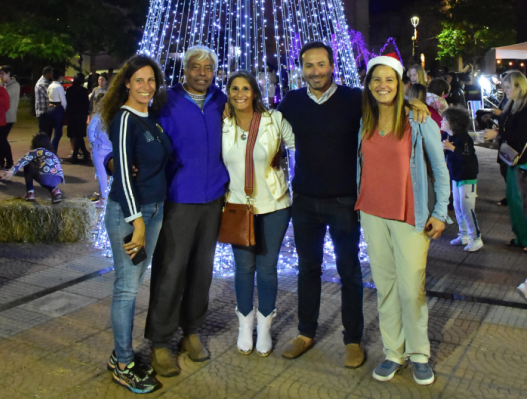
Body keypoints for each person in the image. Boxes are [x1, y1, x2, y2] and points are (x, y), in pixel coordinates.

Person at [277, 43, 430, 370]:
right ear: (301, 68)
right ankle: (306, 332)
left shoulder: (353, 100)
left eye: (321, 64)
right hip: (304, 200)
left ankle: (353, 339)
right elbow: (262, 118)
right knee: (308, 270)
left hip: (345, 200)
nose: (315, 71)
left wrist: (414, 102)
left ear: (332, 65)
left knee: (349, 272)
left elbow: (387, 104)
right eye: (308, 66)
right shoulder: (292, 101)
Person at [355, 52, 449, 386]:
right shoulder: (363, 119)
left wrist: (440, 213)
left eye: (389, 79)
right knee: (386, 288)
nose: (383, 85)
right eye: (376, 79)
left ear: (400, 84)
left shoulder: (418, 119)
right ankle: (394, 352)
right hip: (372, 214)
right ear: (368, 84)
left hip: (409, 217)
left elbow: (440, 169)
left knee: (412, 290)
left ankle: (419, 354)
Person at [145, 45, 229, 377]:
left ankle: (192, 331)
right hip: (178, 197)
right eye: (196, 67)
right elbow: (146, 137)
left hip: (213, 198)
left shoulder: (223, 100)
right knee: (170, 271)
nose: (202, 73)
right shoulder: (166, 100)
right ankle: (160, 341)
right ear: (185, 69)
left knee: (202, 270)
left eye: (209, 68)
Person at [101, 54, 171, 393]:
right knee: (127, 289)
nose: (146, 86)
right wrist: (138, 223)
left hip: (154, 211)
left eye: (150, 80)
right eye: (139, 80)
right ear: (126, 83)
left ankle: (123, 356)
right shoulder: (126, 119)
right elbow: (124, 180)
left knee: (133, 285)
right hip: (133, 215)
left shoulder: (150, 117)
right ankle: (123, 363)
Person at [222, 70, 295, 356]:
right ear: (228, 93)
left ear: (255, 92)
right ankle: (244, 325)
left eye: (245, 88)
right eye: (234, 89)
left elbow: (301, 145)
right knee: (243, 269)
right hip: (238, 205)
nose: (240, 93)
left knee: (266, 268)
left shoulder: (273, 120)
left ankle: (264, 326)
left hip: (274, 205)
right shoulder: (222, 123)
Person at [484, 70, 527, 251]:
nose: (505, 90)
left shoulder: (523, 107)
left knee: (522, 200)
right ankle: (520, 237)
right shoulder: (511, 104)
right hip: (511, 159)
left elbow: (521, 134)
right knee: (513, 198)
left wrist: (498, 133)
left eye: (508, 87)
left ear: (519, 87)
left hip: (522, 160)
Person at [442, 105, 482, 251]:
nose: (441, 122)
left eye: (444, 119)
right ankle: (464, 234)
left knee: (467, 208)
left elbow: (468, 156)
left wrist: (452, 148)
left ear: (453, 122)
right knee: (458, 207)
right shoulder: (447, 136)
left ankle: (476, 237)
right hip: (456, 176)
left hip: (467, 177)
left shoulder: (464, 138)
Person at [2, 132, 63, 202]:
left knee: (28, 165)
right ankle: (55, 191)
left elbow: (24, 160)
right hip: (58, 179)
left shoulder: (36, 151)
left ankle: (30, 193)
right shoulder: (53, 154)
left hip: (45, 177)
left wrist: (12, 170)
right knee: (43, 173)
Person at [88, 107, 112, 208]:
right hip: (112, 147)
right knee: (115, 173)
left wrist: (93, 141)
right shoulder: (116, 113)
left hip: (99, 147)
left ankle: (103, 199)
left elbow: (91, 128)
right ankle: (113, 197)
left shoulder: (98, 114)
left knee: (101, 174)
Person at [0, 65, 20, 170]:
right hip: (0, 117)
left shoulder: (14, 85)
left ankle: (9, 161)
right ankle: (2, 161)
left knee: (1, 139)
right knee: (0, 139)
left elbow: (2, 96)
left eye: (2, 74)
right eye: (0, 74)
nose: (0, 76)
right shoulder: (1, 84)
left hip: (8, 117)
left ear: (8, 74)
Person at [65, 73, 91, 163]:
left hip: (72, 115)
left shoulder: (69, 90)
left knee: (76, 135)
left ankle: (77, 154)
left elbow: (67, 103)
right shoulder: (84, 91)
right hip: (81, 115)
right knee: (79, 135)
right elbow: (87, 104)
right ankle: (82, 153)